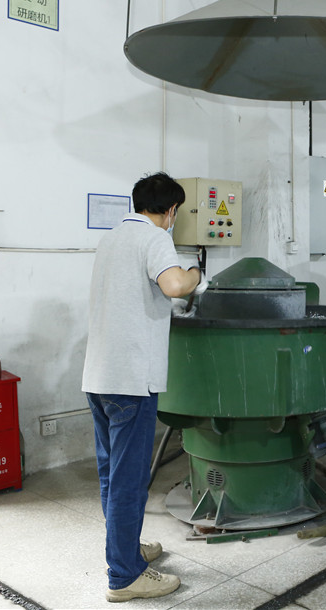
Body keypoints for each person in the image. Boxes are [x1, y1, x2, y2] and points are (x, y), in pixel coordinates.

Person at [82, 172, 206, 602]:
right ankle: (124, 576)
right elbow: (174, 286)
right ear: (170, 210)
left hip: (99, 376)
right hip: (131, 381)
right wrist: (195, 273)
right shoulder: (155, 238)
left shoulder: (112, 238)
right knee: (129, 480)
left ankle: (125, 550)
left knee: (112, 475)